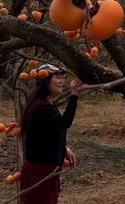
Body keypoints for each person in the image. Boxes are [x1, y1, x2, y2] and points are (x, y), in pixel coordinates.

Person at [19, 63, 80, 204]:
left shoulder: (45, 105)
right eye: (57, 77)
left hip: (46, 171)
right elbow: (64, 122)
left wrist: (66, 149)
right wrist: (74, 94)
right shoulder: (41, 108)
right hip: (39, 173)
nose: (61, 81)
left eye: (61, 77)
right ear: (45, 81)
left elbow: (49, 133)